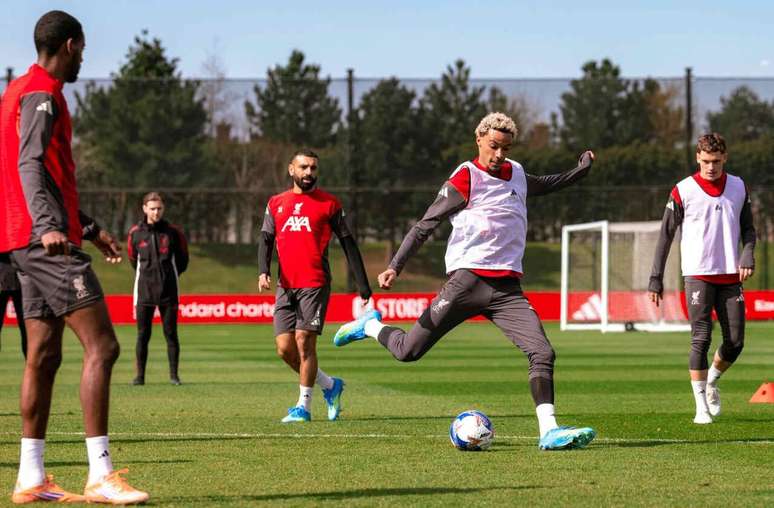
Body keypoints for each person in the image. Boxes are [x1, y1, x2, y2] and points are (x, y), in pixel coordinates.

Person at [334, 112, 597, 450]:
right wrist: (395, 266)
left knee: (542, 351)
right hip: (465, 283)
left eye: (505, 148)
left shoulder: (516, 173)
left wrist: (581, 170)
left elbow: (548, 183)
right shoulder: (466, 176)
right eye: (493, 146)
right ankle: (370, 326)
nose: (499, 154)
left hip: (507, 291)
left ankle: (549, 430)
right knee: (408, 352)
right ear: (479, 139)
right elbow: (425, 224)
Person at [0, 10, 148, 504]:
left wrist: (88, 227)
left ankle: (30, 477)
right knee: (103, 347)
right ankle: (101, 475)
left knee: (43, 355)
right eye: (82, 48)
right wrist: (49, 228)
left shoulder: (17, 90)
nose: (84, 56)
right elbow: (30, 164)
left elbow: (43, 175)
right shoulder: (44, 94)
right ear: (69, 45)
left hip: (22, 241)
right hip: (45, 243)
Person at [649, 133, 755, 425]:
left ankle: (712, 381)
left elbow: (749, 229)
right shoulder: (683, 190)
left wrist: (747, 254)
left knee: (735, 341)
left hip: (730, 276)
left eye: (717, 162)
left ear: (725, 158)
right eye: (706, 161)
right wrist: (655, 278)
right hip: (697, 274)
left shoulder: (738, 186)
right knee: (701, 338)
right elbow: (665, 236)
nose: (711, 167)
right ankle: (700, 407)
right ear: (698, 157)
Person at [258, 149, 372, 423]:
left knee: (303, 341)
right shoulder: (276, 203)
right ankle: (330, 385)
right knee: (284, 349)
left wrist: (363, 285)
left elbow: (348, 243)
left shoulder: (329, 204)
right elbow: (266, 238)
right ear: (291, 170)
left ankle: (303, 407)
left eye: (313, 168)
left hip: (315, 283)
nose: (309, 173)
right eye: (304, 167)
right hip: (286, 285)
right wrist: (263, 270)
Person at [127, 192, 189, 386]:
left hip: (168, 291)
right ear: (144, 208)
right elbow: (132, 260)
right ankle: (140, 377)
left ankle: (174, 376)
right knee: (142, 335)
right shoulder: (135, 233)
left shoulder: (173, 232)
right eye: (152, 208)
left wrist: (168, 276)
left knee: (171, 334)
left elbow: (183, 259)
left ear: (163, 209)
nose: (156, 212)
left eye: (159, 208)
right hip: (144, 291)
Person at [1, 253, 27, 357]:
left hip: (22, 277)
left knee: (28, 331)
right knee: (28, 330)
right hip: (19, 276)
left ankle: (36, 371)